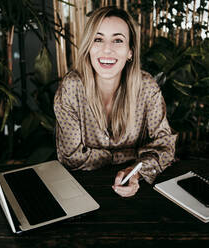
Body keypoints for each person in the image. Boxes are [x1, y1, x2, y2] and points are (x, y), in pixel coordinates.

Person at [53, 6, 177, 197]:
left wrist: (135, 173)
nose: (107, 49)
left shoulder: (147, 88)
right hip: (83, 189)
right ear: (88, 47)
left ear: (130, 52)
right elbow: (71, 157)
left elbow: (165, 146)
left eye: (118, 40)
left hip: (139, 190)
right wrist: (131, 156)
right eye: (98, 39)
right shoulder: (72, 87)